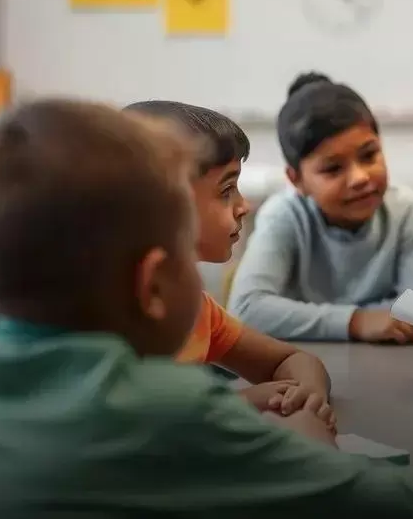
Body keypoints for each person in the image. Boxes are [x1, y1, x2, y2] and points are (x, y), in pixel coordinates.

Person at [0, 99, 413, 517]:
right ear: (154, 284)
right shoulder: (173, 408)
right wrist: (307, 436)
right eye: (184, 252)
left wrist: (240, 403)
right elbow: (392, 504)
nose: (244, 205)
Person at [125, 100, 332, 422]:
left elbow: (291, 360)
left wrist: (306, 393)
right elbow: (138, 424)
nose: (243, 205)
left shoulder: (197, 309)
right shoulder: (108, 323)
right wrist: (243, 403)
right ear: (166, 207)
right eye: (226, 190)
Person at [228, 73, 413, 342]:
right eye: (333, 168)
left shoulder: (410, 211)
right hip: (303, 369)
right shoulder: (284, 215)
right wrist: (356, 322)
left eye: (369, 155)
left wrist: (295, 317)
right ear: (296, 180)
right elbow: (246, 310)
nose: (360, 178)